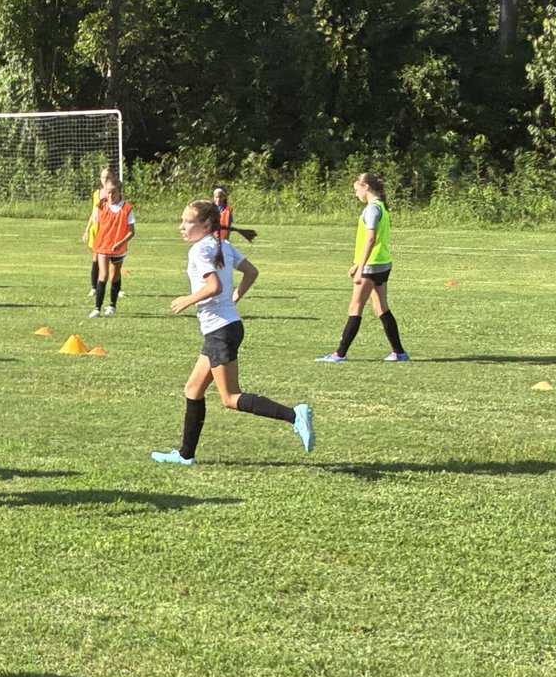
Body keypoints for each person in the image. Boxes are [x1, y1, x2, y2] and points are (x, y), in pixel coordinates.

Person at [151, 199, 314, 467]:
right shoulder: (222, 245)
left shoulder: (200, 250)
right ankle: (185, 455)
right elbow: (251, 272)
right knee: (193, 389)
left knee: (230, 397)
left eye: (187, 222)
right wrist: (235, 296)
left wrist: (187, 300)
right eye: (181, 221)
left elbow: (213, 286)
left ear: (205, 225)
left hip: (220, 331)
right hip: (227, 327)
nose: (181, 227)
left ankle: (294, 415)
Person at [315, 171, 409, 363]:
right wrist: (358, 263)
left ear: (365, 186)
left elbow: (371, 239)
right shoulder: (380, 206)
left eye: (356, 189)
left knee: (355, 307)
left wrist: (361, 267)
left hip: (372, 267)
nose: (356, 193)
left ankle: (339, 354)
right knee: (380, 307)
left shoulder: (372, 209)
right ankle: (399, 353)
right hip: (382, 264)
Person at [83, 180, 134, 317]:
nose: (110, 195)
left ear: (119, 192)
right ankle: (97, 308)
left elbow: (131, 232)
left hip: (118, 248)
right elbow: (98, 225)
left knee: (115, 275)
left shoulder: (126, 209)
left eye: (114, 192)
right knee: (103, 275)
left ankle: (112, 305)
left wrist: (120, 242)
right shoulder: (101, 207)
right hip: (103, 246)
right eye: (108, 192)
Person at [84, 168, 115, 298]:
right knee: (96, 257)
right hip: (97, 229)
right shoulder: (97, 193)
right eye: (103, 177)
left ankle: (116, 288)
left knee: (114, 258)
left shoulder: (115, 193)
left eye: (108, 177)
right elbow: (94, 212)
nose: (105, 180)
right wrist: (87, 229)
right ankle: (94, 287)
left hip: (108, 229)